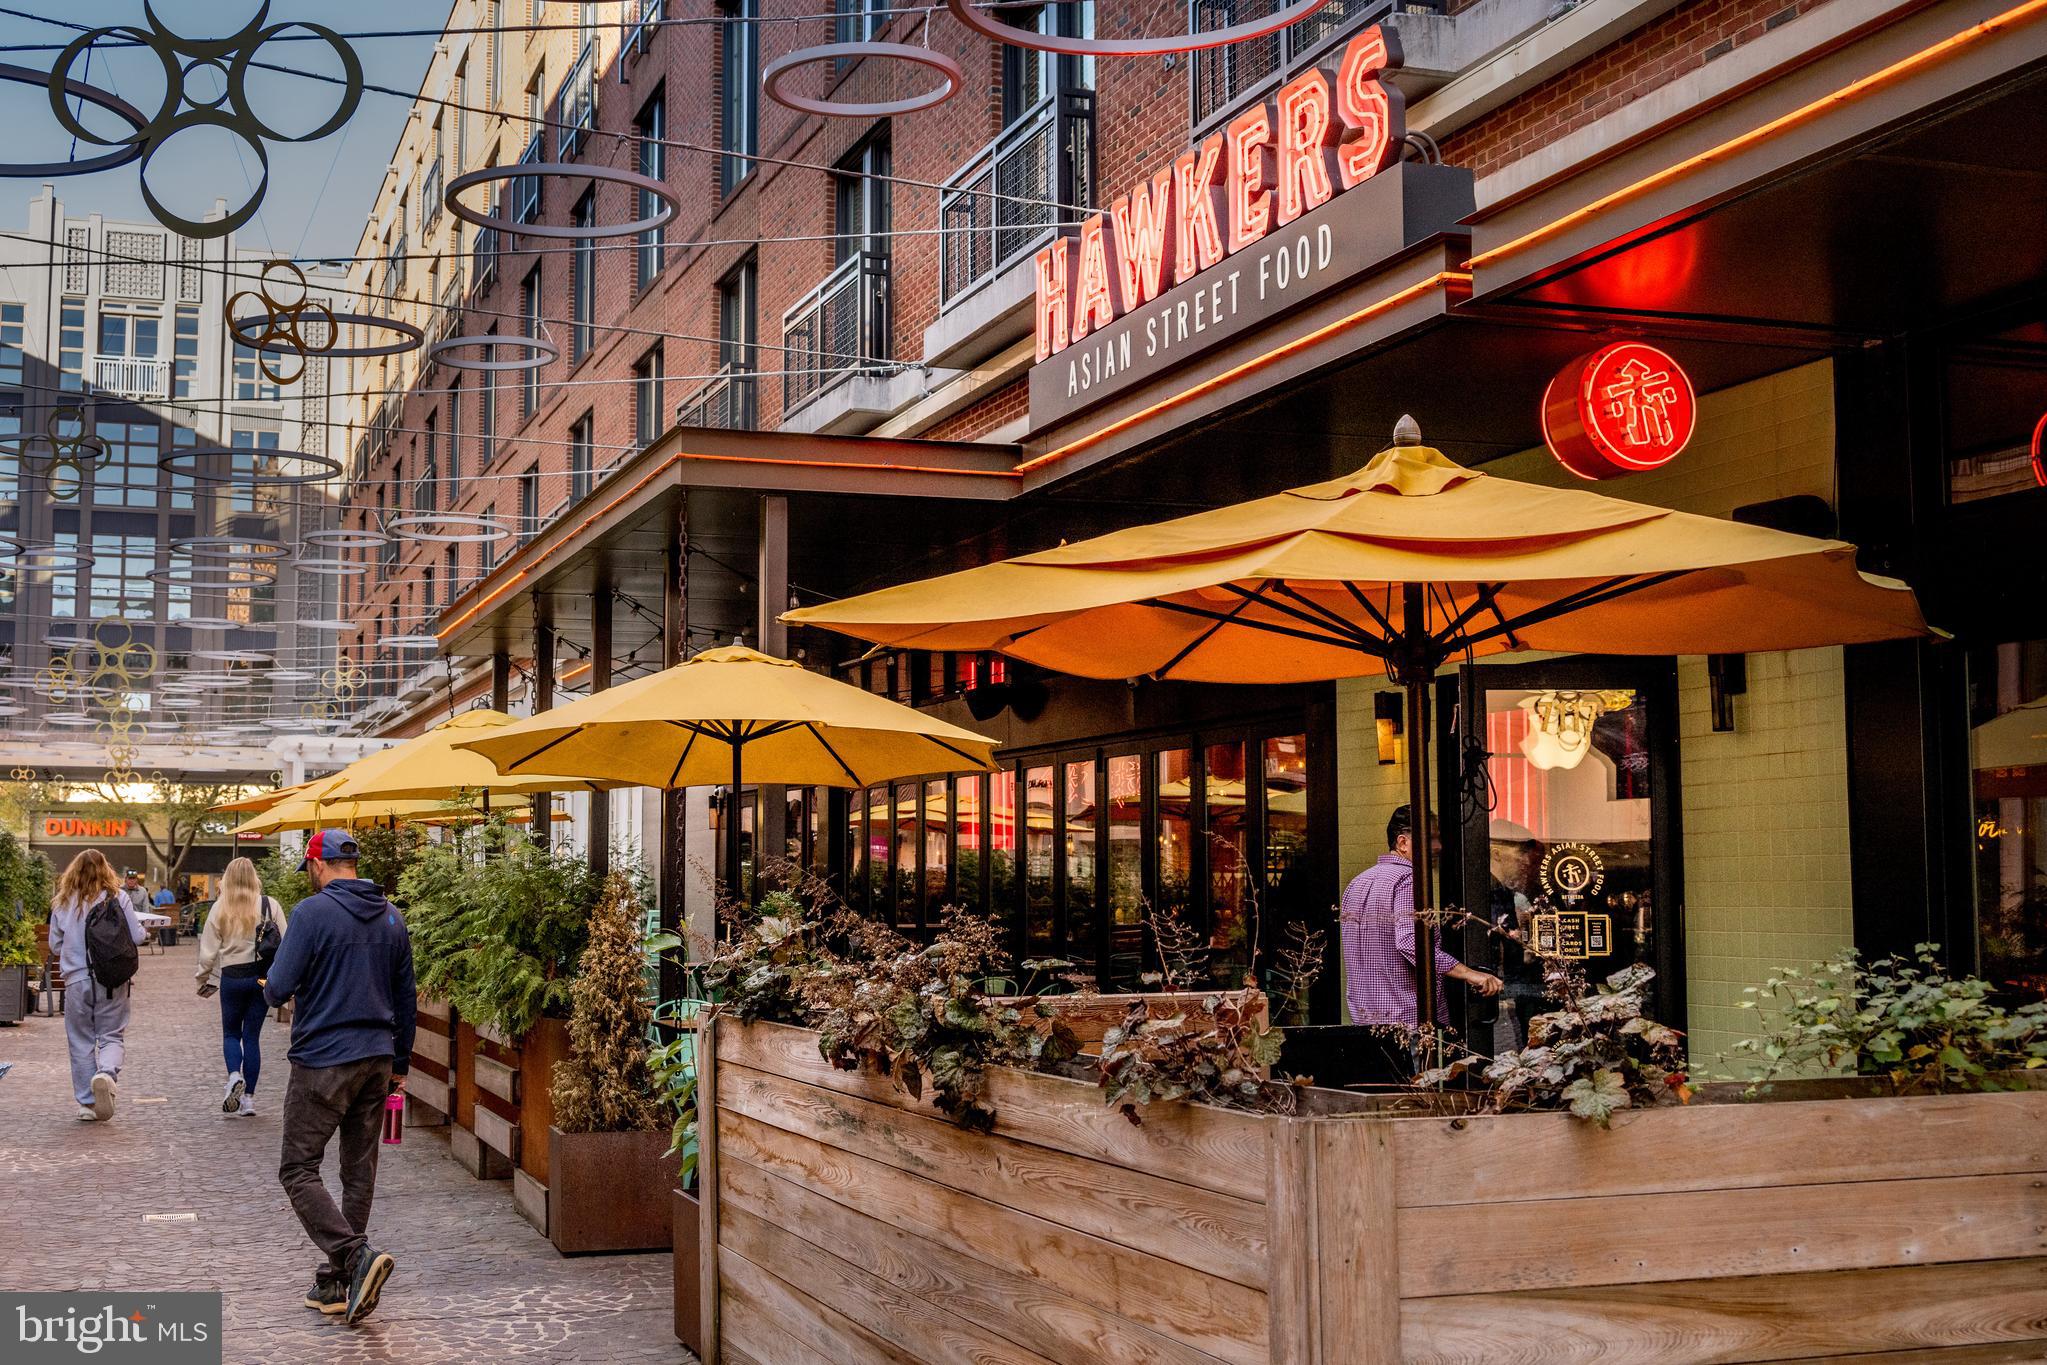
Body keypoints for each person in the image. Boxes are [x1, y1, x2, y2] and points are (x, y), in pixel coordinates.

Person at [263, 830, 415, 1326]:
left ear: (318, 865)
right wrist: (400, 1066)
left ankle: (354, 1257)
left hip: (324, 1059)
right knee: (358, 1171)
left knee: (298, 1168)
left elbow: (278, 988)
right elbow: (405, 998)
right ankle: (335, 1284)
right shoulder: (392, 918)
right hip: (377, 1059)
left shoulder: (310, 914)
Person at [1341, 806, 1502, 1036]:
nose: (1438, 847)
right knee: (1415, 1074)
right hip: (1406, 1020)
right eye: (1430, 839)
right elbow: (1410, 943)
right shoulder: (1408, 880)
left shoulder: (1356, 883)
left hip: (1364, 1021)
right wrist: (1469, 974)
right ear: (1402, 842)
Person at [45, 849, 148, 1122]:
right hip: (113, 978)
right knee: (112, 1034)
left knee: (80, 1041)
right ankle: (106, 1073)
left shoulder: (63, 901)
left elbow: (55, 945)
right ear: (106, 870)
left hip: (76, 980)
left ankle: (87, 1104)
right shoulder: (118, 897)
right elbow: (136, 937)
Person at [196, 856, 286, 1119]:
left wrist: (203, 980)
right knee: (252, 1037)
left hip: (232, 977)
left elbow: (207, 953)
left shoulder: (220, 908)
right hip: (261, 978)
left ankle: (234, 1075)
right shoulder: (270, 905)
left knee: (231, 1034)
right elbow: (286, 942)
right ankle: (249, 1100)